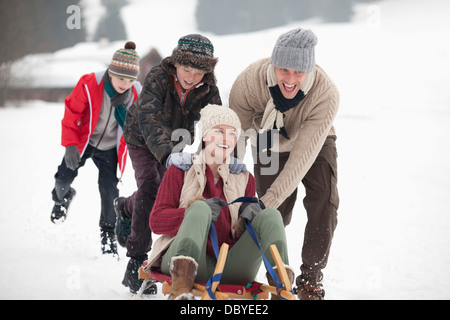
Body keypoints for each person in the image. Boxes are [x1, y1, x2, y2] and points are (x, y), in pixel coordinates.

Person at [229, 28, 340, 300]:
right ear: (273, 65)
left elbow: (302, 158)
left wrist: (269, 200)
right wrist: (224, 189)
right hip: (268, 140)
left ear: (309, 69)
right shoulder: (248, 83)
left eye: (299, 72)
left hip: (314, 141)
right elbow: (235, 144)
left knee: (323, 200)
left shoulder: (326, 94)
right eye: (284, 70)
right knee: (275, 214)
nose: (290, 80)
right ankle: (276, 273)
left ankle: (310, 280)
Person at [147, 104, 293, 300]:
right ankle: (181, 291)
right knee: (199, 207)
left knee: (271, 215)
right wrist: (192, 213)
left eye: (233, 134)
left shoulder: (244, 178)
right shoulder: (180, 170)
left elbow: (242, 230)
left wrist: (249, 218)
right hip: (181, 261)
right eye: (219, 131)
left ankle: (282, 285)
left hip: (230, 266)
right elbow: (156, 221)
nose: (227, 139)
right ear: (205, 136)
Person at [114, 34, 222, 294]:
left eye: (199, 72)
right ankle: (136, 259)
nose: (191, 76)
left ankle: (125, 207)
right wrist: (166, 154)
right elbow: (148, 117)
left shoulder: (208, 89)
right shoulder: (158, 77)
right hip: (141, 137)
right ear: (176, 63)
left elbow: (217, 123)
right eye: (187, 69)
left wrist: (220, 159)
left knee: (166, 195)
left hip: (175, 143)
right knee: (151, 187)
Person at [50, 42, 142, 257]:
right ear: (111, 72)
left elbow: (138, 124)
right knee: (64, 177)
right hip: (84, 142)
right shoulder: (91, 83)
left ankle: (108, 237)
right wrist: (70, 145)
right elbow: (72, 112)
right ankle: (61, 199)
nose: (125, 84)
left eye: (130, 80)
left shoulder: (136, 93)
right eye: (121, 78)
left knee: (109, 190)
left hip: (110, 148)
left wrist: (127, 103)